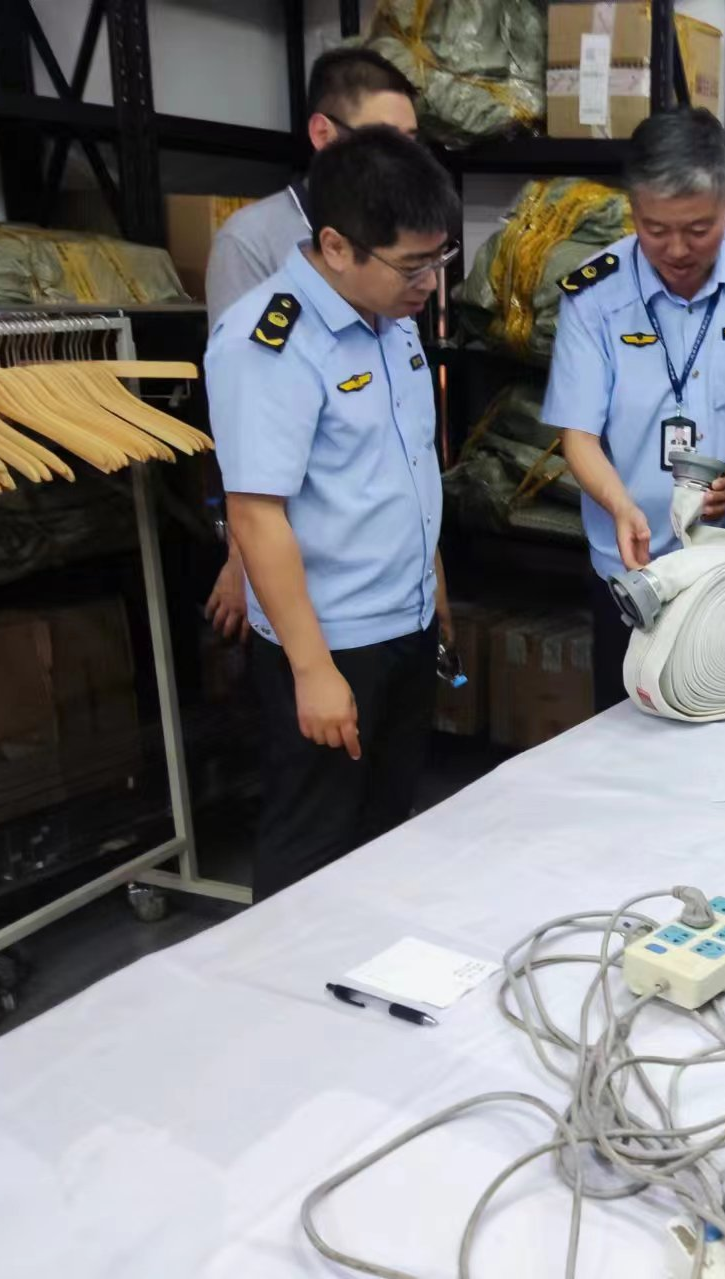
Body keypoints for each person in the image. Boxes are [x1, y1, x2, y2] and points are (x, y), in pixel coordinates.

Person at [206, 127, 460, 899]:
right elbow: (257, 518)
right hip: (331, 642)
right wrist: (312, 671)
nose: (429, 283)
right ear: (337, 245)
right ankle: (282, 1007)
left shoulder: (393, 321)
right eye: (413, 266)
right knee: (312, 840)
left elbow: (409, 467)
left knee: (385, 828)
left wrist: (435, 588)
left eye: (439, 261)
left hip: (404, 625)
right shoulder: (270, 341)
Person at [542, 107, 725, 711]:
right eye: (654, 227)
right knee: (630, 736)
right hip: (632, 564)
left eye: (698, 229)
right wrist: (619, 505)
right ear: (633, 209)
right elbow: (579, 435)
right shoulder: (595, 296)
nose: (675, 249)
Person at [203, 47, 419, 641]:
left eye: (411, 140)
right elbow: (245, 419)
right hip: (311, 582)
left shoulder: (405, 234)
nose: (404, 160)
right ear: (324, 133)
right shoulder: (254, 240)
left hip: (388, 574)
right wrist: (241, 560)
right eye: (384, 139)